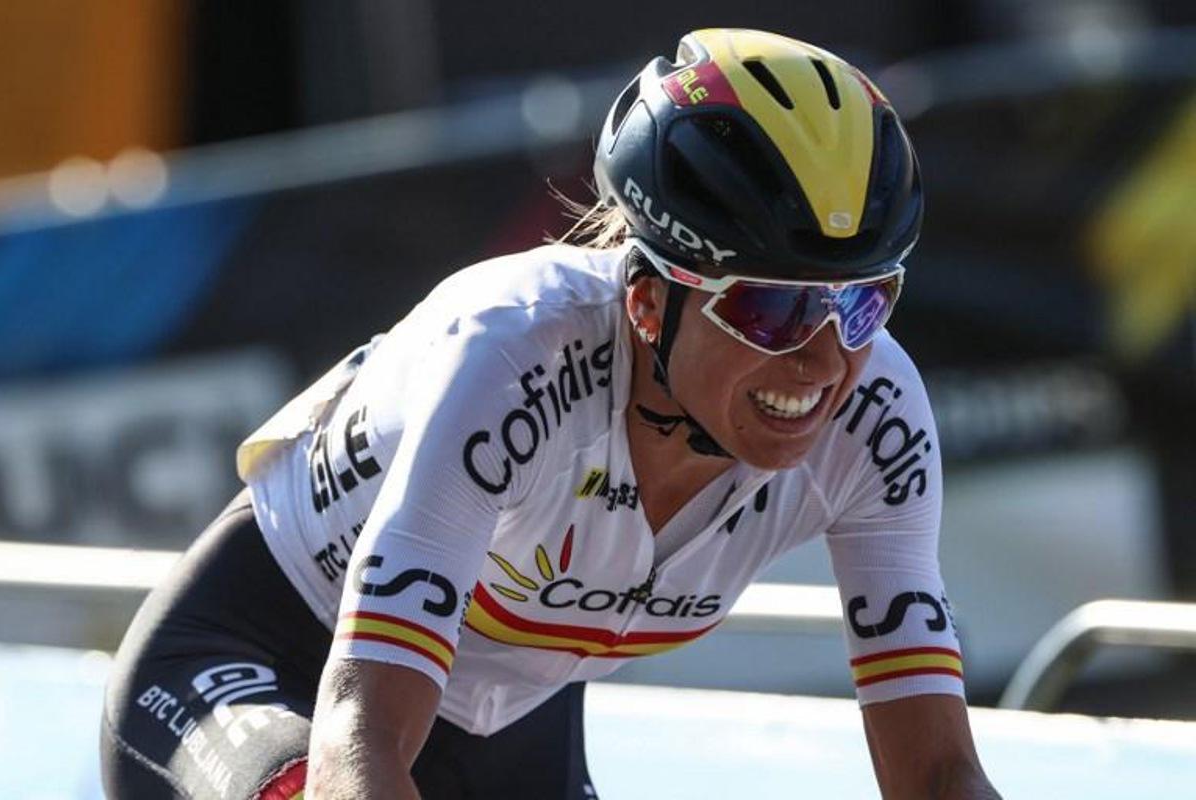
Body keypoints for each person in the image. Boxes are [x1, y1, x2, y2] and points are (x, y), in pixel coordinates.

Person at [100, 28, 1000, 799]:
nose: (823, 359)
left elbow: (938, 776)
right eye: (772, 309)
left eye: (862, 303)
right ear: (648, 303)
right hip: (272, 666)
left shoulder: (876, 417)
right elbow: (358, 735)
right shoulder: (512, 355)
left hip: (512, 723)